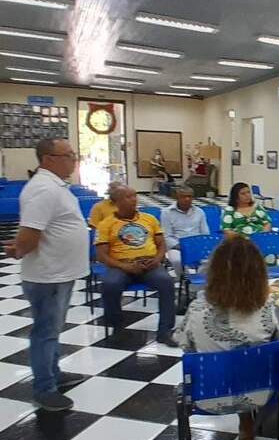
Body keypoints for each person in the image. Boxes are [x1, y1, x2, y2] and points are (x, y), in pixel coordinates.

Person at [174, 235, 278, 440]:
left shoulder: (196, 309)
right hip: (262, 393)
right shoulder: (268, 309)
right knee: (248, 364)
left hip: (209, 395)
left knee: (225, 363)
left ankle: (245, 423)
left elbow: (186, 347)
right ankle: (248, 423)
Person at [5, 139, 89, 411]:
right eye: (69, 155)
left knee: (53, 330)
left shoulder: (55, 186)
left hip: (59, 272)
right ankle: (44, 389)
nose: (74, 159)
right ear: (48, 159)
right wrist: (19, 248)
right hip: (48, 275)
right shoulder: (43, 188)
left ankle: (54, 373)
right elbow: (30, 233)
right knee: (45, 332)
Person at [95, 186, 177, 347]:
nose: (134, 199)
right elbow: (101, 255)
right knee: (110, 285)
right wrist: (124, 266)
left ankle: (165, 331)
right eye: (128, 197)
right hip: (121, 266)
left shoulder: (149, 219)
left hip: (149, 263)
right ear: (117, 202)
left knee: (166, 282)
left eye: (134, 195)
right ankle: (118, 328)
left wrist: (157, 259)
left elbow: (162, 244)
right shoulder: (106, 224)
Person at [160, 185, 209, 275]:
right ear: (177, 197)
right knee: (177, 260)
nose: (187, 199)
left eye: (189, 196)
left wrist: (199, 245)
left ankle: (199, 279)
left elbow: (205, 233)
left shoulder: (199, 212)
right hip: (177, 246)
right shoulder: (166, 213)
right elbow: (166, 236)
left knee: (210, 260)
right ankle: (182, 278)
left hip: (197, 245)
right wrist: (182, 246)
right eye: (183, 197)